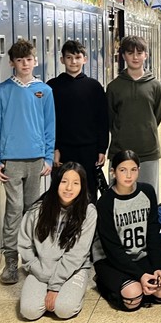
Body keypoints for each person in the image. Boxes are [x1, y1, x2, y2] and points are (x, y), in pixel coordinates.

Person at [0, 39, 55, 285]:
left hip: (36, 158)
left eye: (29, 59)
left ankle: (32, 256)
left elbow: (50, 126)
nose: (25, 64)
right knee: (13, 210)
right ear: (11, 63)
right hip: (12, 160)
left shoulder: (44, 91)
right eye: (20, 60)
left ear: (35, 60)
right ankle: (10, 261)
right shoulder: (2, 91)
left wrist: (48, 156)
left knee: (33, 210)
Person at [93, 150, 161, 311]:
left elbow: (152, 234)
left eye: (133, 169)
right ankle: (104, 282)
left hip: (141, 256)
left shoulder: (147, 192)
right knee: (133, 298)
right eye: (123, 170)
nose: (128, 175)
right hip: (112, 261)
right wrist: (141, 275)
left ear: (139, 170)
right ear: (113, 172)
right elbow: (112, 249)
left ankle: (138, 284)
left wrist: (157, 267)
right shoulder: (105, 202)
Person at [17, 162, 97, 320]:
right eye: (64, 182)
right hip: (41, 268)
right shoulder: (38, 209)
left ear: (82, 187)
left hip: (73, 269)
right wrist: (39, 271)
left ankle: (62, 293)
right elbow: (25, 245)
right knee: (29, 312)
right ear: (56, 183)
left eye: (75, 183)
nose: (69, 188)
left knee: (64, 309)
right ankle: (45, 293)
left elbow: (78, 253)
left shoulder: (88, 212)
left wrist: (54, 286)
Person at [47, 40, 109, 202]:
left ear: (85, 59)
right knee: (63, 193)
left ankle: (90, 226)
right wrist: (54, 148)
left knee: (89, 193)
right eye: (69, 57)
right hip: (63, 151)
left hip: (89, 150)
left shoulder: (94, 87)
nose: (73, 62)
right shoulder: (52, 87)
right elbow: (49, 122)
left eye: (77, 57)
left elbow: (102, 119)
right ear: (62, 60)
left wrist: (102, 148)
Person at [106, 35, 161, 197]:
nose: (135, 57)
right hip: (120, 150)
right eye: (130, 53)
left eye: (139, 53)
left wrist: (146, 129)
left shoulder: (155, 85)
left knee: (148, 196)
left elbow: (156, 116)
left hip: (148, 150)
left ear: (146, 55)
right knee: (119, 196)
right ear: (123, 56)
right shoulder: (114, 87)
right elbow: (110, 119)